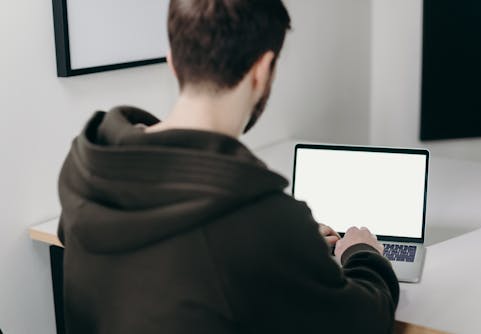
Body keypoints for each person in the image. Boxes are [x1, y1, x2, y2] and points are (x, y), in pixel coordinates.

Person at [57, 0, 399, 333]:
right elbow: (364, 320)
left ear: (173, 62)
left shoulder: (88, 169)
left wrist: (295, 248)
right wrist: (362, 252)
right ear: (262, 71)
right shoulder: (261, 218)